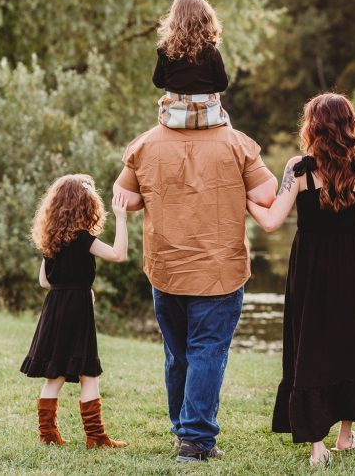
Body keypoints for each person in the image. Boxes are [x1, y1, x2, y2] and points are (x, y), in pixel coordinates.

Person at [113, 113, 276, 462]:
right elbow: (266, 195)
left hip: (166, 267)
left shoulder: (145, 144)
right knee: (207, 352)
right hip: (220, 269)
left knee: (178, 355)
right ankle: (196, 441)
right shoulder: (236, 142)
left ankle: (183, 430)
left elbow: (125, 198)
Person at [247, 93, 355, 468]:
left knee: (309, 343)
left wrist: (243, 198)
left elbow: (272, 221)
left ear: (312, 125)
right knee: (348, 344)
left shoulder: (299, 167)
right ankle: (345, 434)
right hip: (350, 266)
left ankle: (317, 445)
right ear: (347, 125)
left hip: (309, 265)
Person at [20, 174, 130, 449]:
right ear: (84, 204)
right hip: (77, 308)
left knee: (54, 373)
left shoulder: (51, 239)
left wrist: (68, 286)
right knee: (87, 371)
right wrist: (122, 218)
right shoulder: (82, 238)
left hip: (55, 308)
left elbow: (45, 281)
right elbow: (119, 255)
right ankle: (95, 437)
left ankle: (48, 435)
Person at [152, 0, 231, 129]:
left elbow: (158, 82)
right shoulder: (211, 51)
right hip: (207, 117)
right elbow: (222, 85)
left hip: (172, 118)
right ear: (206, 21)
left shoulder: (165, 50)